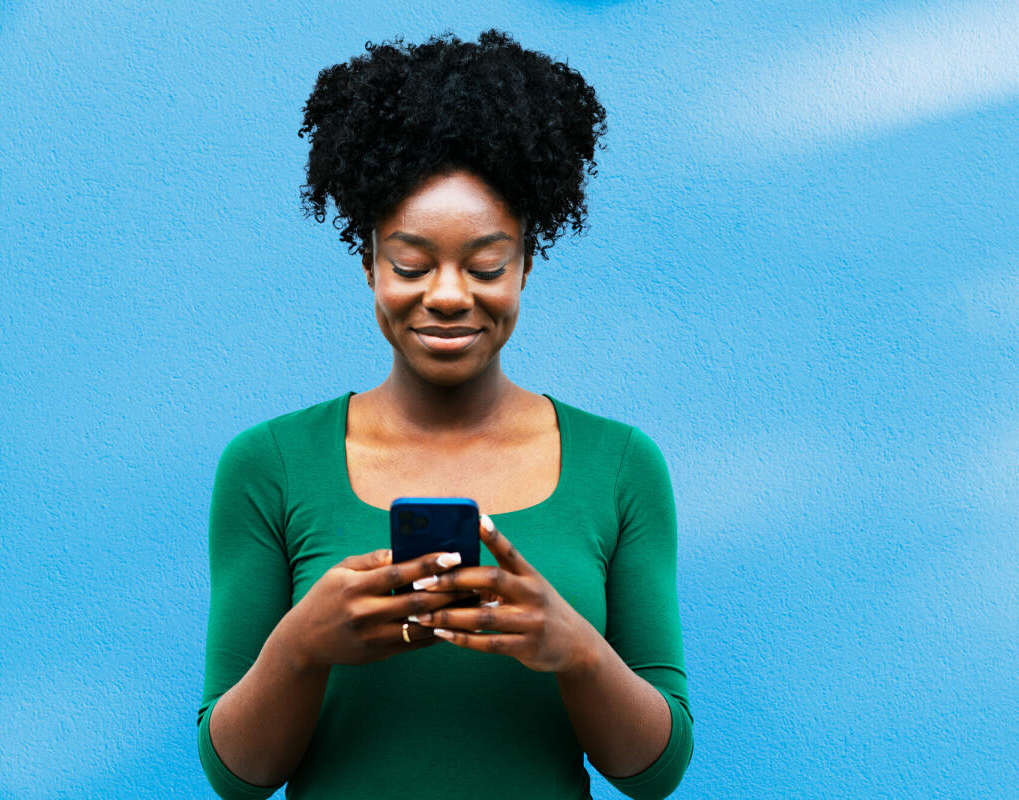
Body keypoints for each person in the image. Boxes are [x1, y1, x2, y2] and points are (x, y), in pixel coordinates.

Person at [196, 30, 692, 800]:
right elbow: (237, 778)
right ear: (368, 264)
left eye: (486, 265)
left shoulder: (621, 464)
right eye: (412, 264)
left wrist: (577, 649)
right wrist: (300, 646)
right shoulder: (269, 464)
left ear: (527, 262)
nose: (451, 294)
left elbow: (655, 771)